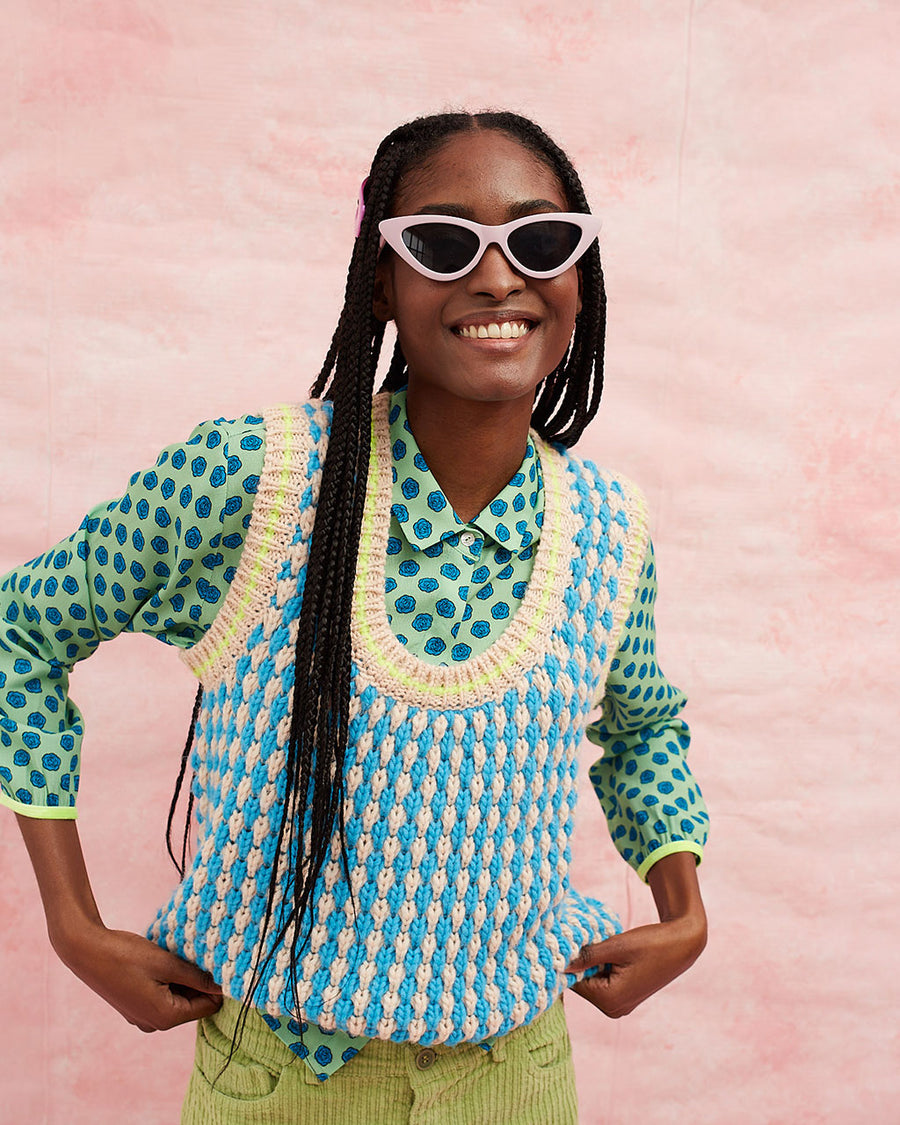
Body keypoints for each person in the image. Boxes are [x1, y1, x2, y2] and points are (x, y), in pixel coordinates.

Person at [1, 111, 709, 1124]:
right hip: (284, 1079)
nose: (499, 276)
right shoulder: (256, 478)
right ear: (382, 278)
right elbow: (18, 634)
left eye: (541, 239)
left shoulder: (611, 531)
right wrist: (74, 929)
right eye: (443, 241)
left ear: (581, 275)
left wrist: (685, 912)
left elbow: (642, 728)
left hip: (515, 1078)